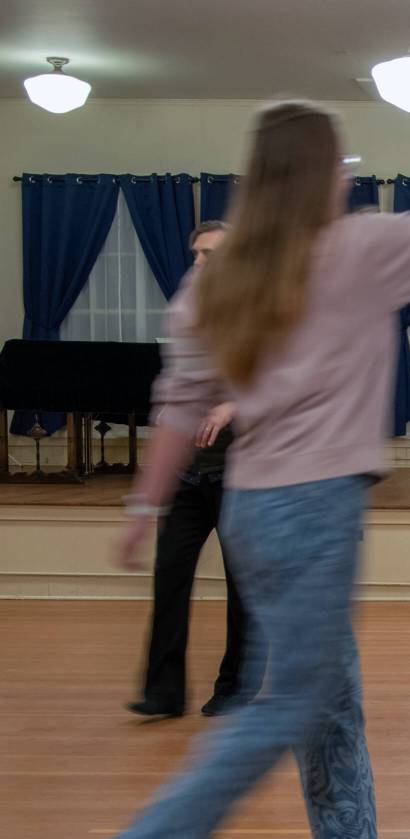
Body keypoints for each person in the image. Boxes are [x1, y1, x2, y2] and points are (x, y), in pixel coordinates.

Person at [73, 100, 410, 839]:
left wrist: (142, 507)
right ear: (322, 174)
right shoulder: (355, 250)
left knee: (330, 697)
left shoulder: (217, 275)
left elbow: (177, 405)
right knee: (290, 704)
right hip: (316, 510)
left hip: (250, 511)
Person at [128, 220, 251, 719]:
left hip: (239, 473)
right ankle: (163, 692)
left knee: (242, 585)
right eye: (196, 254)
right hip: (188, 475)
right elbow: (177, 385)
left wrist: (233, 405)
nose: (199, 263)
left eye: (211, 255)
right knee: (170, 578)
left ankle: (234, 688)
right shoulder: (186, 312)